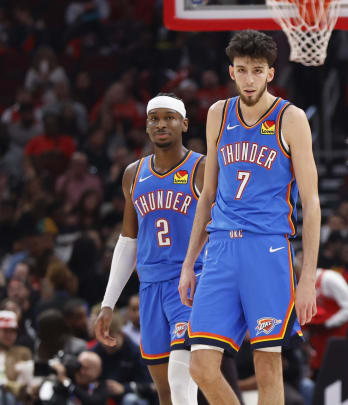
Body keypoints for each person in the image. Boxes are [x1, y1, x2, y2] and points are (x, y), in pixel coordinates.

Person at [179, 30, 320, 405]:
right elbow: (207, 194)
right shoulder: (217, 114)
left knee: (268, 365)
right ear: (232, 72)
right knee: (202, 366)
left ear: (271, 73)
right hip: (221, 250)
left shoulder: (291, 119)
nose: (250, 79)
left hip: (267, 250)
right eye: (242, 70)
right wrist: (189, 263)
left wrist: (307, 278)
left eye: (257, 71)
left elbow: (312, 200)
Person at [94, 93, 203, 405]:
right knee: (165, 393)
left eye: (169, 117)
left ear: (184, 123)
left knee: (182, 383)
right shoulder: (133, 173)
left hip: (190, 284)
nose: (161, 124)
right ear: (146, 127)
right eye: (154, 118)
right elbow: (128, 241)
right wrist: (107, 304)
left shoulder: (202, 167)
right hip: (150, 288)